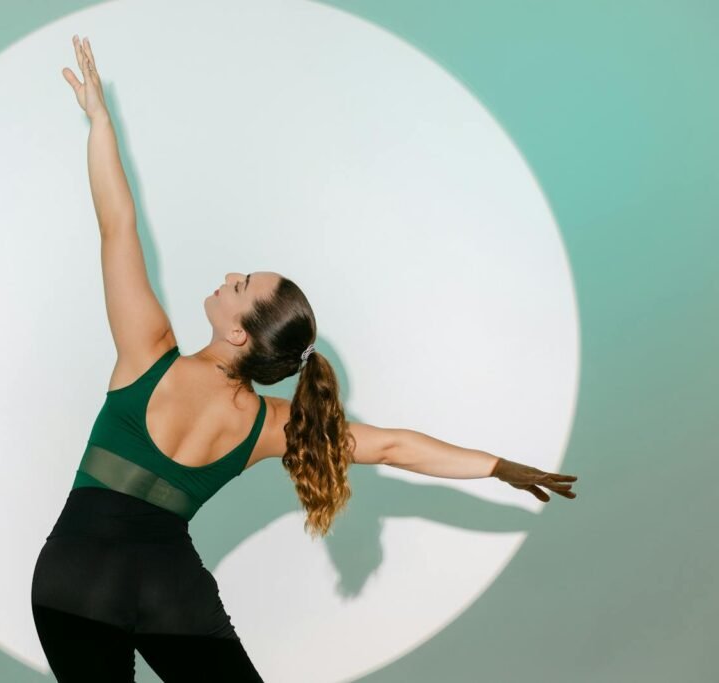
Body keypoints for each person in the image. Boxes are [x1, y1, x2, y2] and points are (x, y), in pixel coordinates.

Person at [31, 36, 579, 682]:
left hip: (73, 580)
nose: (230, 276)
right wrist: (497, 466)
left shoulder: (147, 352)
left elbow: (116, 222)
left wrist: (99, 123)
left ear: (240, 334)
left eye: (240, 287)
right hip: (165, 587)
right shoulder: (271, 424)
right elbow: (394, 447)